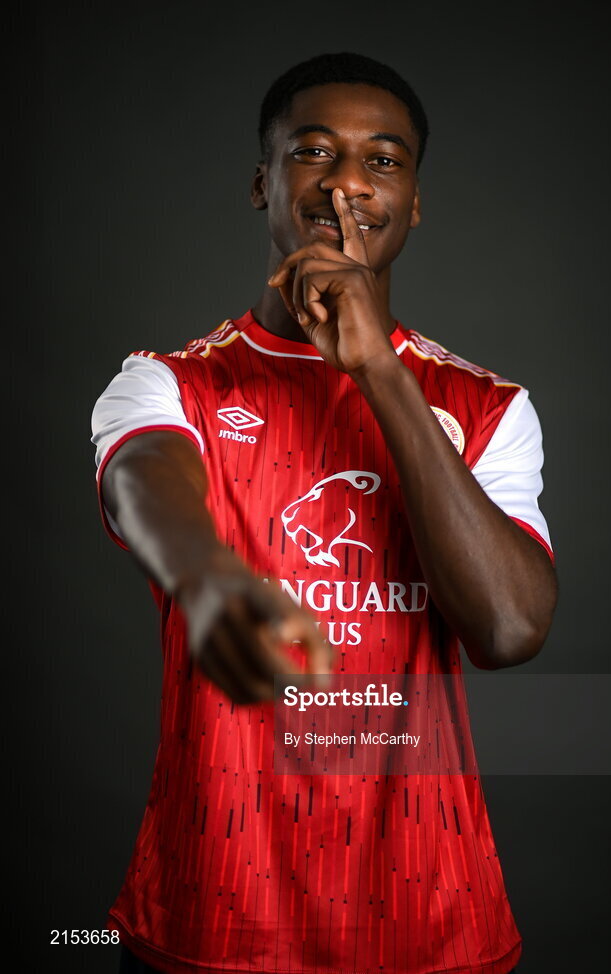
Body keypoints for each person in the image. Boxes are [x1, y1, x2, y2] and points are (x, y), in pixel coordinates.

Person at [91, 52, 556, 974]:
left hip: (431, 927)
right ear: (264, 182)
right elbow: (145, 482)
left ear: (414, 201)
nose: (347, 180)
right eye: (314, 152)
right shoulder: (167, 382)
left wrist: (379, 372)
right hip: (209, 921)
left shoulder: (489, 408)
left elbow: (507, 626)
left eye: (383, 159)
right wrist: (211, 577)